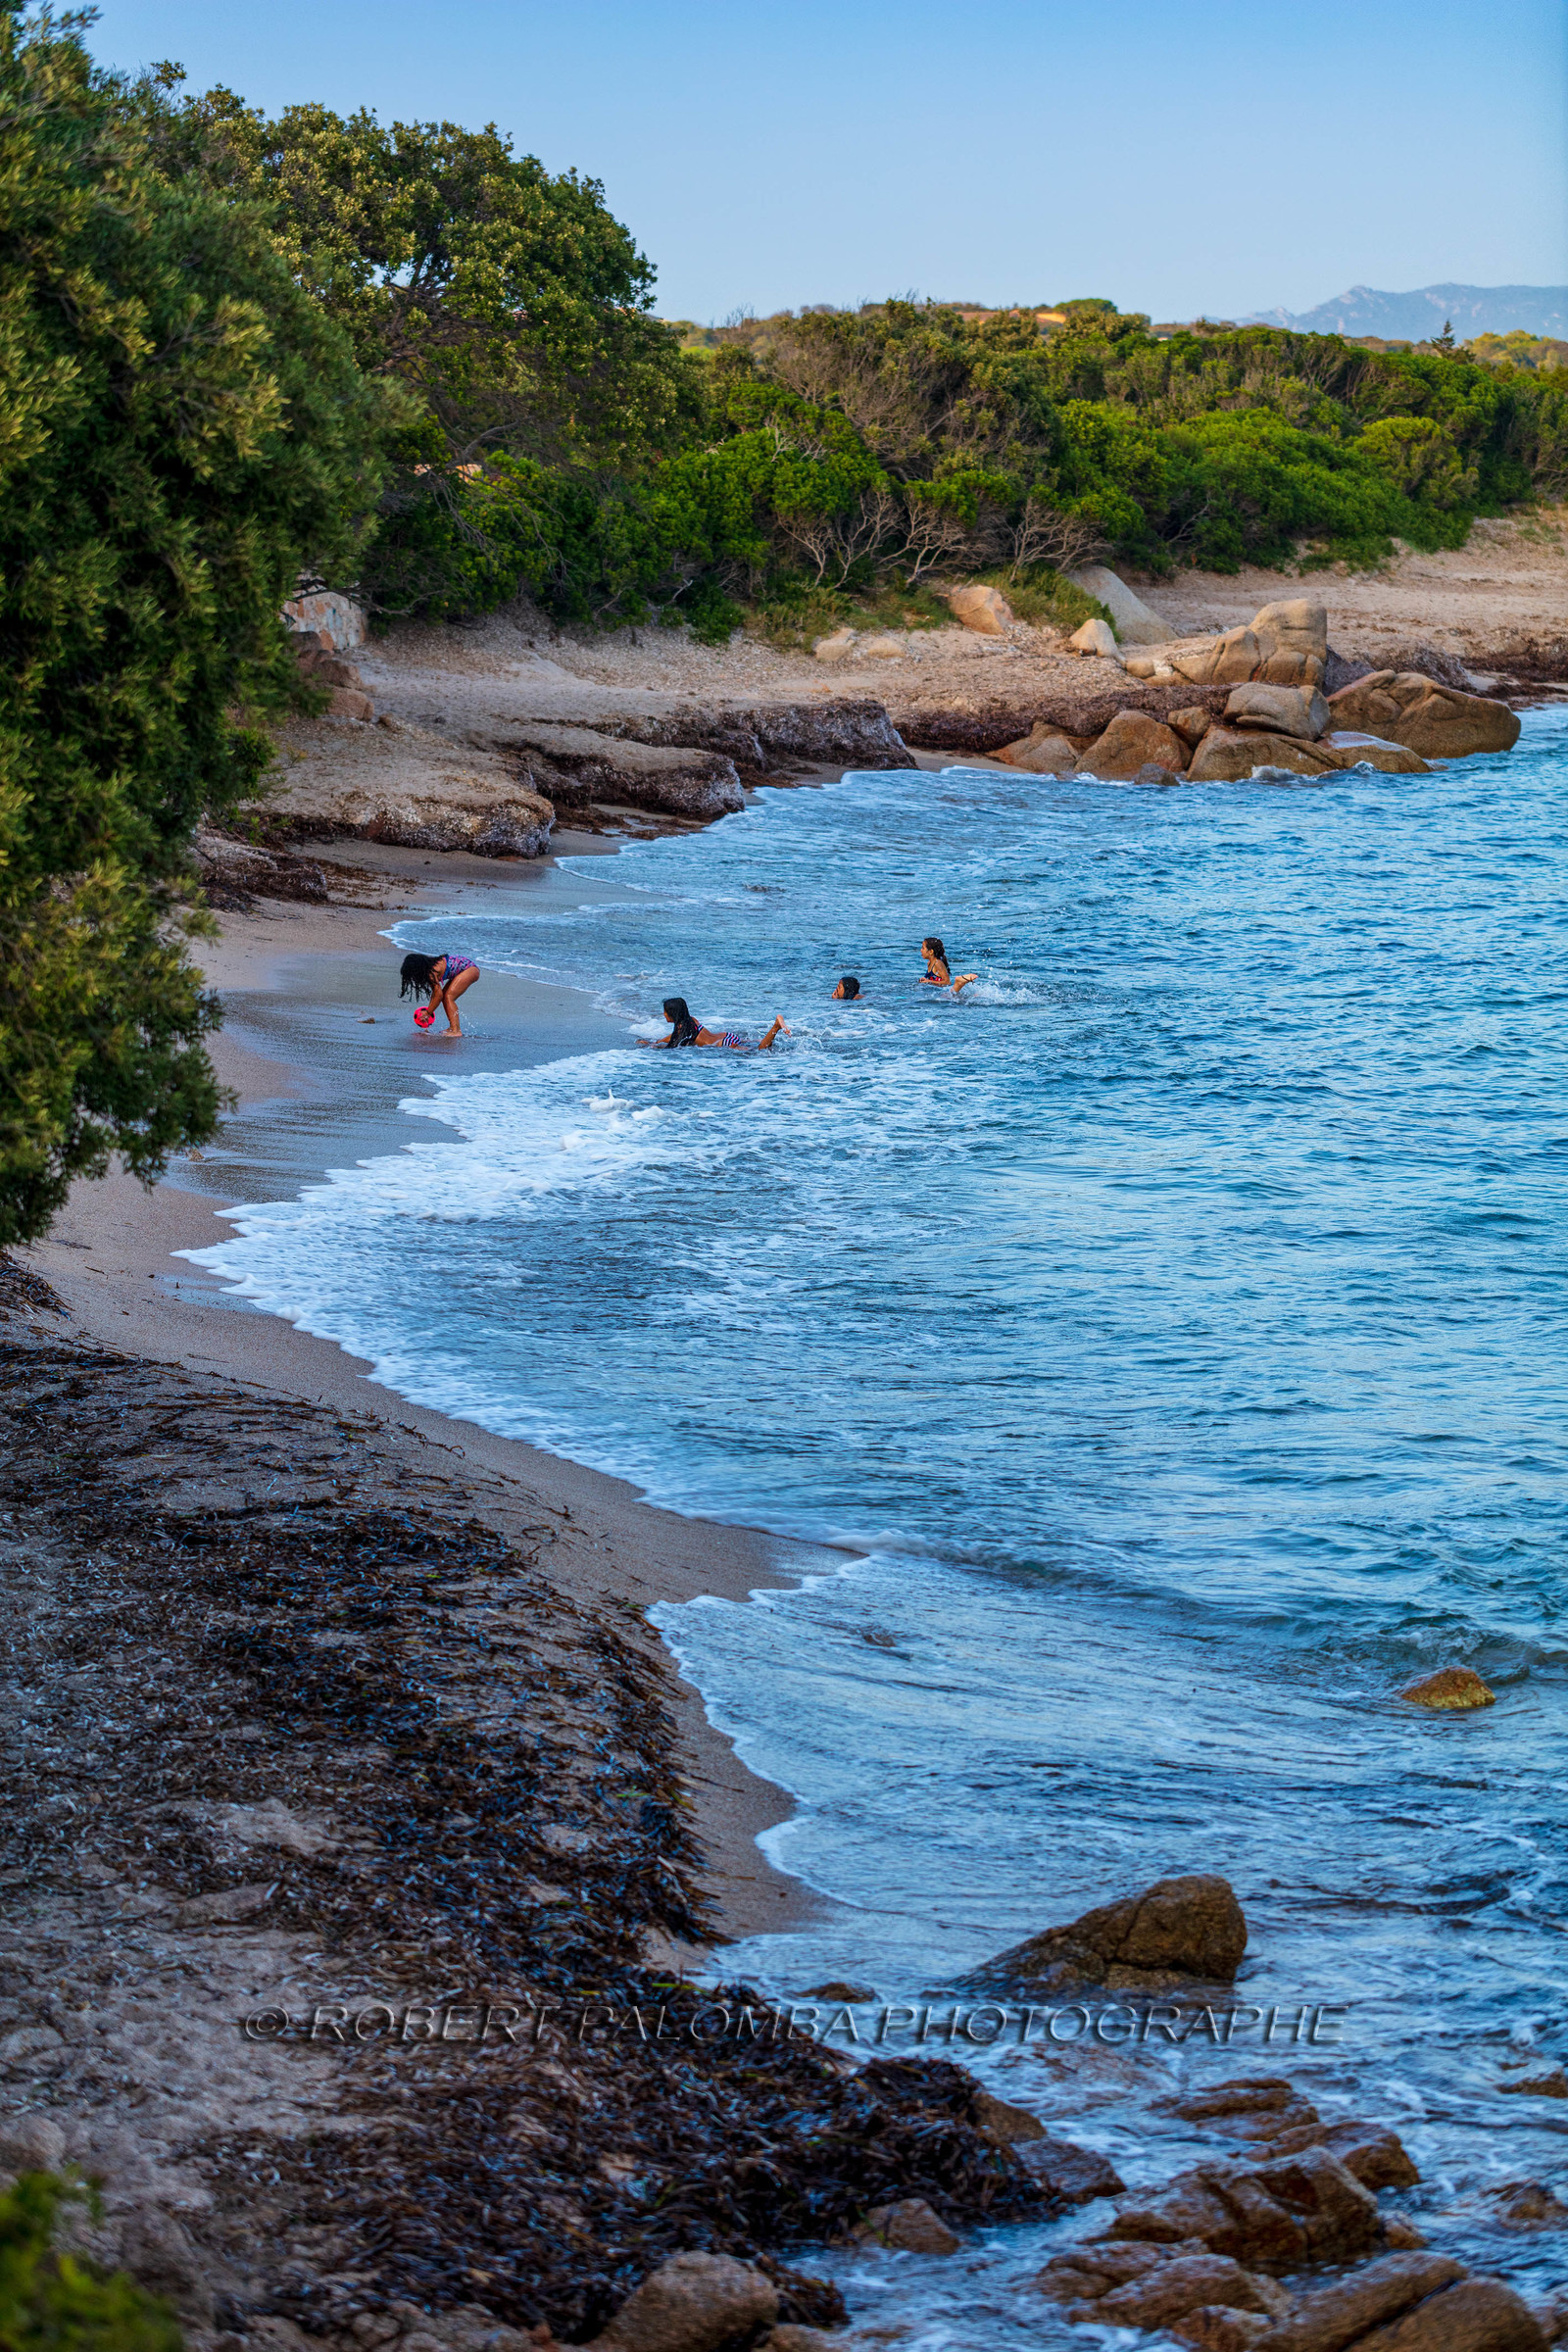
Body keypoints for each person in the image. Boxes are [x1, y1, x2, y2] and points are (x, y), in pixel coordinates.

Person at [640, 997, 789, 1051]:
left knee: (759, 1050)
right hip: (726, 1036)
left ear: (672, 1014)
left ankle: (776, 1026)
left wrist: (654, 1045)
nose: (664, 1014)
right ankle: (773, 1030)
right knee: (753, 1044)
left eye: (665, 1011)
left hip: (722, 1043)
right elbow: (672, 1037)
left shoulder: (681, 1028)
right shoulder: (691, 1021)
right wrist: (657, 1041)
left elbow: (671, 1044)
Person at [400, 951, 480, 1035]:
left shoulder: (431, 973)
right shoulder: (429, 969)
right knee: (446, 996)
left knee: (449, 997)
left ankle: (456, 1031)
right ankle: (452, 1027)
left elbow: (438, 995)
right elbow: (436, 994)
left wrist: (428, 1013)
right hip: (464, 970)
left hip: (470, 969)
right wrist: (429, 1011)